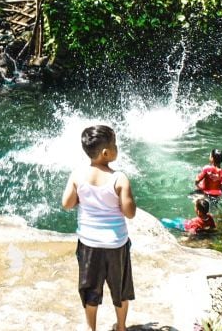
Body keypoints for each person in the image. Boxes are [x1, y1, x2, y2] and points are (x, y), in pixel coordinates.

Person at [61, 125, 136, 331]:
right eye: (115, 145)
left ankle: (91, 328)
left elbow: (67, 204)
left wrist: (81, 199)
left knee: (90, 290)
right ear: (106, 153)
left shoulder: (77, 175)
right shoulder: (119, 178)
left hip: (89, 244)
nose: (117, 147)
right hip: (116, 244)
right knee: (120, 287)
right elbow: (130, 213)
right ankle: (121, 326)